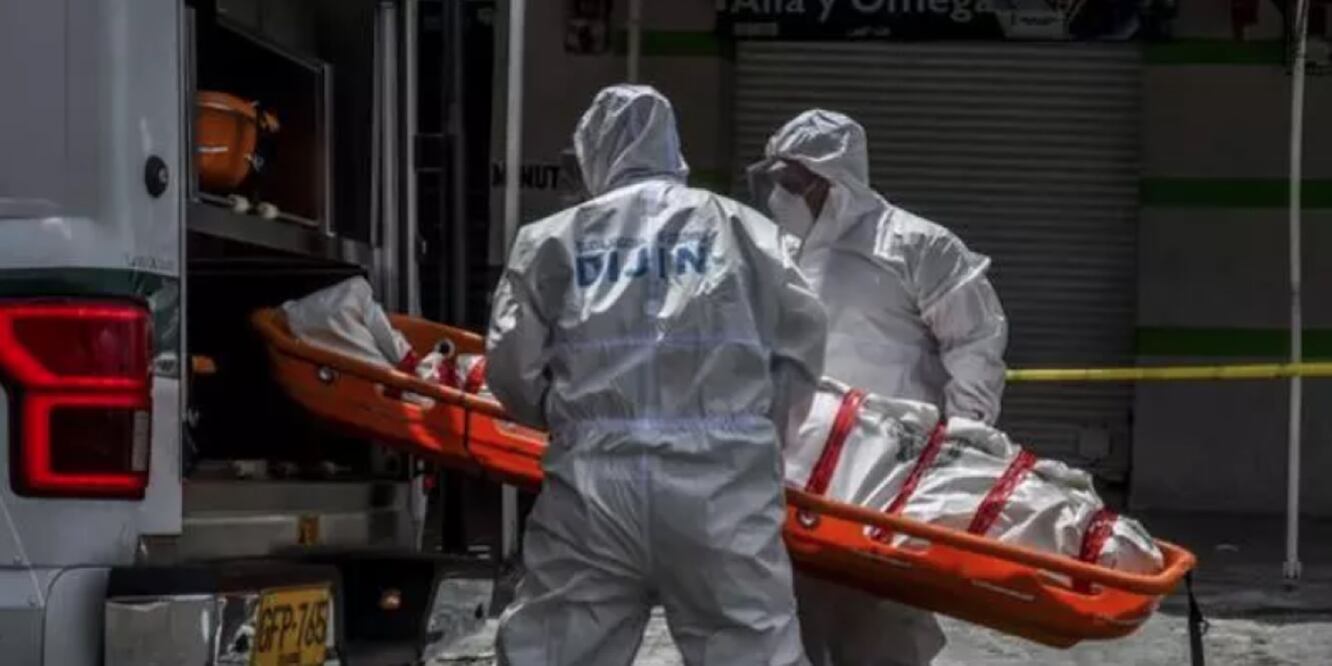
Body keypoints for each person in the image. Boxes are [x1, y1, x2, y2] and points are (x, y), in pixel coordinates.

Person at [487, 84, 828, 666]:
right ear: (673, 148)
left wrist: (562, 420)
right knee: (749, 646)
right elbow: (801, 349)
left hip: (593, 486)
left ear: (593, 151)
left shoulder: (552, 240)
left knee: (557, 648)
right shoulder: (748, 232)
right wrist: (756, 432)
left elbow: (512, 366)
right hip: (721, 486)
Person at [750, 110, 1008, 665]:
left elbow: (974, 345)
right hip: (797, 474)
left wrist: (960, 445)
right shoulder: (777, 251)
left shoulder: (917, 245)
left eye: (790, 181)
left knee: (883, 627)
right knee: (794, 621)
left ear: (830, 180)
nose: (778, 195)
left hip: (888, 478)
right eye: (774, 181)